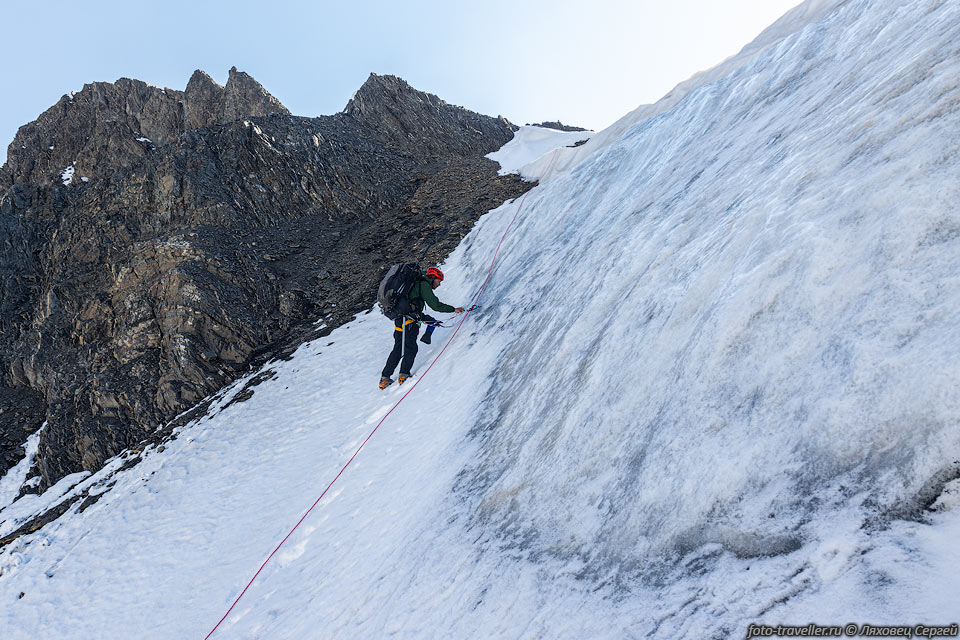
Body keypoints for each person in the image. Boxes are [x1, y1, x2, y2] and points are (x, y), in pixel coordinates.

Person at [380, 267, 464, 389]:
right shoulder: (423, 285)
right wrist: (453, 309)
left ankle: (384, 378)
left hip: (400, 320)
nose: (439, 284)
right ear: (433, 278)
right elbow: (435, 305)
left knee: (398, 348)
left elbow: (414, 308)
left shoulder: (414, 285)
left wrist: (428, 319)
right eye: (439, 281)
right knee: (411, 348)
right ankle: (404, 375)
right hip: (409, 322)